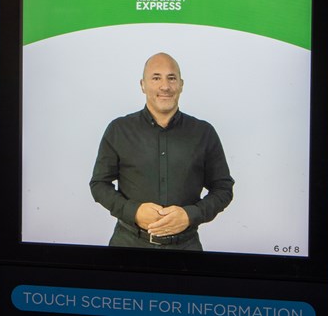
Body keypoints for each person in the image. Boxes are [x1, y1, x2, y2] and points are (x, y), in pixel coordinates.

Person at [89, 52, 234, 250]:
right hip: (128, 245)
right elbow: (99, 184)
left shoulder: (203, 133)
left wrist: (190, 215)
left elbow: (223, 188)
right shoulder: (119, 130)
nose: (165, 86)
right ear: (142, 85)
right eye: (156, 78)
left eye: (171, 78)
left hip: (186, 247)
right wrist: (134, 212)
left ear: (181, 84)